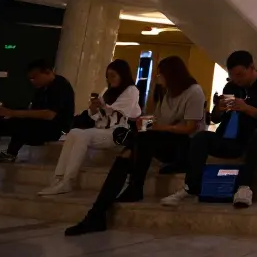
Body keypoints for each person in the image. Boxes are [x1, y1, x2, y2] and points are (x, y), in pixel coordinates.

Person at [64, 56, 206, 235]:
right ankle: (99, 211)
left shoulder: (194, 92)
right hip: (164, 140)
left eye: (160, 75)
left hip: (186, 146)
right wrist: (146, 122)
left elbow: (190, 128)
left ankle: (125, 193)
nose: (157, 78)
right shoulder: (167, 92)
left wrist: (158, 127)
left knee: (138, 142)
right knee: (133, 144)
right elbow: (159, 120)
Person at [163, 51, 257, 209]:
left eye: (240, 75)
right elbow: (216, 119)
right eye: (233, 76)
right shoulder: (231, 86)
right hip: (233, 138)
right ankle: (191, 187)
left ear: (252, 68)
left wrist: (247, 108)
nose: (237, 80)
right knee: (201, 138)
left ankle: (244, 187)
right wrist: (219, 109)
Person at [42, 59, 141, 195]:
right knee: (74, 132)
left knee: (83, 136)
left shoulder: (131, 91)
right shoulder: (107, 91)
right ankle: (58, 177)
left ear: (122, 75)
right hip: (101, 130)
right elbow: (96, 116)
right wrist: (93, 109)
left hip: (117, 133)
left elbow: (120, 111)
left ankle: (68, 181)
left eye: (113, 75)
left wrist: (103, 107)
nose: (110, 79)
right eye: (108, 76)